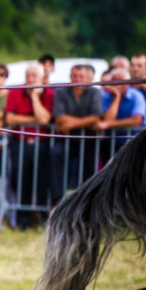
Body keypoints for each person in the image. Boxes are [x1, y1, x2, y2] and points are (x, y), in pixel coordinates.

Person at [6, 63, 54, 229]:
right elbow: (10, 119)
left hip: (42, 145)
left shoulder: (48, 94)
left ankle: (42, 219)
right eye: (28, 76)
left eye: (35, 76)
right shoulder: (15, 91)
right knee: (20, 181)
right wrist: (32, 118)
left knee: (41, 182)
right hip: (20, 143)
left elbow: (44, 120)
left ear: (42, 78)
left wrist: (34, 97)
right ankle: (23, 220)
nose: (31, 79)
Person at [50, 63, 103, 201]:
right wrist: (85, 121)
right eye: (74, 76)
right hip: (67, 139)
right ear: (70, 77)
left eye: (80, 76)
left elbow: (96, 117)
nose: (77, 79)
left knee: (90, 167)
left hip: (88, 140)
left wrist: (71, 123)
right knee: (55, 155)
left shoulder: (95, 92)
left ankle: (88, 199)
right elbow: (59, 116)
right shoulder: (61, 91)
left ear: (86, 78)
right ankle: (58, 199)